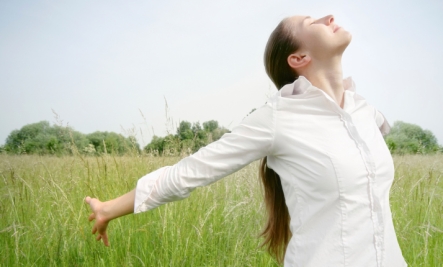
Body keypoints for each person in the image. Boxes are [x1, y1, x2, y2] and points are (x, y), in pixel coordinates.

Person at [85, 15, 408, 266]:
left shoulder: (364, 111)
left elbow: (374, 137)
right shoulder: (279, 118)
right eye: (312, 22)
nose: (329, 17)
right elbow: (193, 170)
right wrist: (108, 208)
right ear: (298, 58)